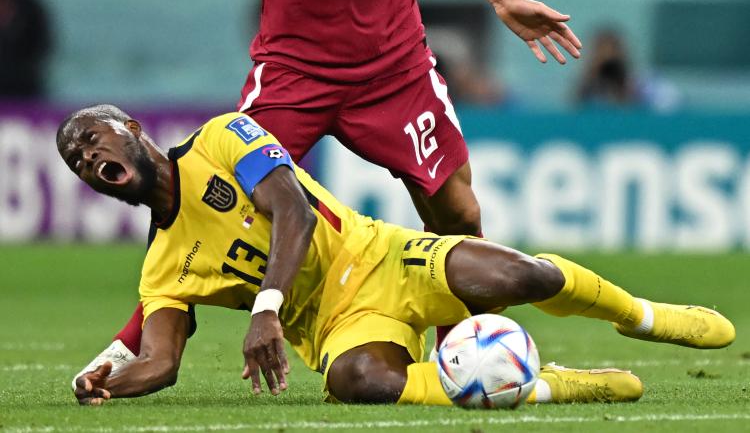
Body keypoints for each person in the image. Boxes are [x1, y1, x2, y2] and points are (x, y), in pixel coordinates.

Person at [59, 105, 734, 406]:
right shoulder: (161, 264)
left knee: (521, 274)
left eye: (92, 138)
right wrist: (100, 383)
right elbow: (161, 361)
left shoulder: (221, 136)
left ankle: (642, 315)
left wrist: (264, 309)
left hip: (381, 253)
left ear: (132, 130)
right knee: (356, 383)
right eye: (76, 160)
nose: (88, 157)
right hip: (336, 325)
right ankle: (546, 384)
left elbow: (290, 207)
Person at [75, 0, 585, 381]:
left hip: (394, 64)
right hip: (292, 72)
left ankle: (469, 354)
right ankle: (130, 346)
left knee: (458, 211)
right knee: (203, 192)